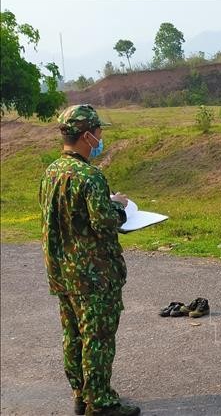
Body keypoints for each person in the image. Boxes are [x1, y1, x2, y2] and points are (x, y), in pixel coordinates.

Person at [39, 105, 140, 416]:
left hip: (62, 272)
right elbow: (104, 224)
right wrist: (120, 207)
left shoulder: (52, 171)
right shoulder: (91, 176)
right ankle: (101, 403)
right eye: (98, 132)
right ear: (86, 135)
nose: (100, 137)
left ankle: (81, 394)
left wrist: (104, 202)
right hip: (93, 274)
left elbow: (70, 213)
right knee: (97, 336)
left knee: (74, 335)